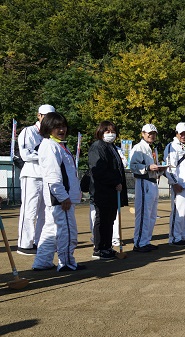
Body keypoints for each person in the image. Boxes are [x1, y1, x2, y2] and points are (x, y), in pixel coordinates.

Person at [31, 112, 83, 272]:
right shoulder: (50, 146)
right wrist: (63, 197)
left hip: (59, 198)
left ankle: (42, 261)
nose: (62, 130)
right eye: (57, 127)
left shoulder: (58, 145)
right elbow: (52, 175)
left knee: (50, 231)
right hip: (60, 199)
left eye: (63, 126)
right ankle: (66, 262)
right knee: (66, 231)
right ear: (48, 128)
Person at [16, 104, 55, 255]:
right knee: (29, 210)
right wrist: (46, 156)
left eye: (50, 116)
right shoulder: (28, 131)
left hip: (45, 176)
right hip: (31, 174)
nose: (47, 119)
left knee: (44, 212)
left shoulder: (51, 134)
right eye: (45, 116)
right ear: (38, 115)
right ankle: (25, 244)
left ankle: (39, 241)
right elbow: (25, 154)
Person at [88, 121, 128, 259]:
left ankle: (107, 246)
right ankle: (99, 248)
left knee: (110, 219)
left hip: (112, 191)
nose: (110, 134)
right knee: (102, 219)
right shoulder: (97, 147)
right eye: (107, 131)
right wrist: (114, 182)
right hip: (102, 190)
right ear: (101, 132)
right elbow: (99, 170)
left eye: (112, 131)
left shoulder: (111, 147)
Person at [129, 124, 164, 252]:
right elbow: (132, 166)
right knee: (143, 213)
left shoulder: (152, 149)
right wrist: (147, 168)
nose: (151, 135)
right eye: (149, 133)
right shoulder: (139, 148)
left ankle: (146, 240)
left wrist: (160, 169)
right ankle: (139, 243)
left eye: (154, 133)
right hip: (143, 181)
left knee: (152, 214)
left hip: (153, 181)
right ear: (143, 133)